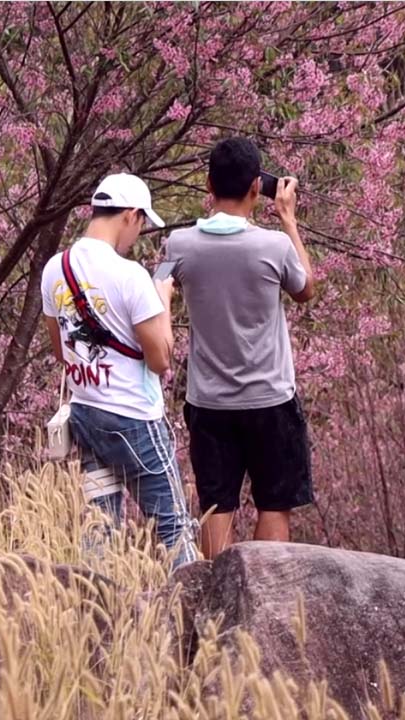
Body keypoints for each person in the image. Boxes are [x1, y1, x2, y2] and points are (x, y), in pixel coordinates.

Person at [164, 137, 316, 558]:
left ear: (208, 184)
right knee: (273, 501)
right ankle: (267, 604)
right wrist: (288, 219)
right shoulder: (274, 246)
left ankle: (218, 604)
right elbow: (306, 288)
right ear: (256, 187)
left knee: (217, 505)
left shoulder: (178, 245)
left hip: (209, 401)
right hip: (271, 399)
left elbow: (164, 283)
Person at [41, 173, 199, 568]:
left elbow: (61, 350)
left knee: (100, 528)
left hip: (86, 415)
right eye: (142, 222)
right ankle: (198, 622)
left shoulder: (54, 269)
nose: (139, 231)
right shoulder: (131, 276)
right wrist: (162, 298)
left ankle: (96, 614)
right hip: (135, 420)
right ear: (130, 215)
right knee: (173, 526)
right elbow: (161, 360)